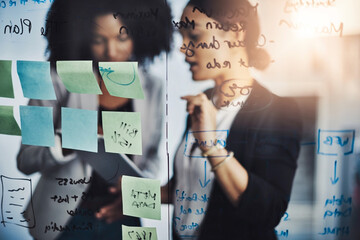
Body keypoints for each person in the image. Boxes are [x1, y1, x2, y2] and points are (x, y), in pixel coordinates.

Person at [16, 0, 172, 239]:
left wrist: (136, 196)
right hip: (65, 220)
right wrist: (67, 140)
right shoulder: (54, 78)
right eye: (99, 40)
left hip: (123, 215)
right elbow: (25, 159)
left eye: (121, 37)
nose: (111, 51)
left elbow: (151, 157)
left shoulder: (153, 87)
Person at [161, 0, 302, 239]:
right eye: (182, 37)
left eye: (194, 36)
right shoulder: (203, 102)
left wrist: (211, 146)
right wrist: (129, 194)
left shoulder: (279, 112)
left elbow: (269, 211)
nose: (183, 49)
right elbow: (186, 185)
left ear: (236, 32)